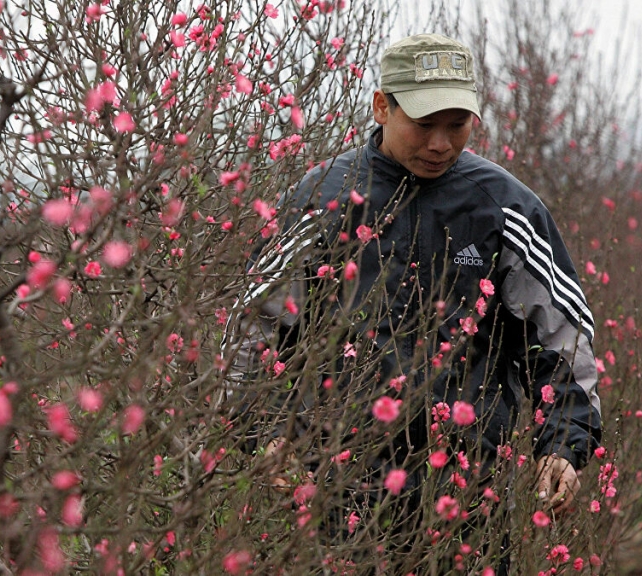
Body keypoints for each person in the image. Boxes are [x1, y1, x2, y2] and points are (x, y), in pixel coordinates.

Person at [225, 33, 602, 570]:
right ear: (382, 106)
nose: (441, 143)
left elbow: (562, 337)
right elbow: (251, 329)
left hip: (470, 495)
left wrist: (563, 444)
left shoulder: (507, 208)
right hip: (330, 493)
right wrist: (261, 436)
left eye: (457, 124)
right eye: (424, 124)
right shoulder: (322, 199)